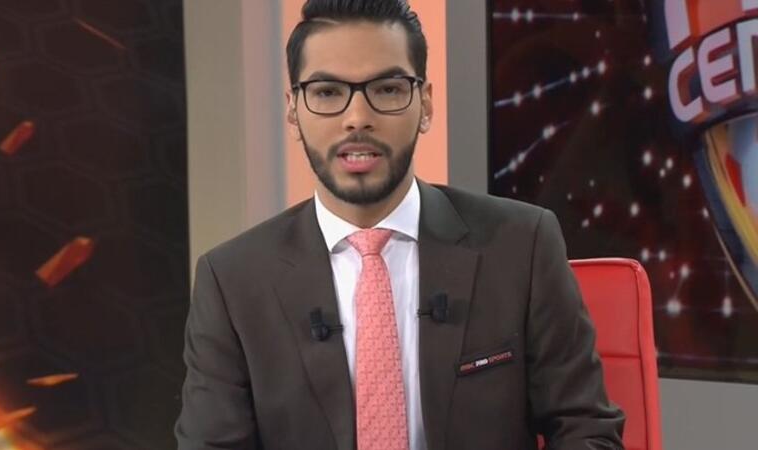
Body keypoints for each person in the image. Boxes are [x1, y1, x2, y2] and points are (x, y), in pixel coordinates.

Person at [175, 1, 625, 449]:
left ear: (425, 104)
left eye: (387, 89)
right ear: (293, 111)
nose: (357, 118)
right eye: (327, 92)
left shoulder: (521, 246)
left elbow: (587, 432)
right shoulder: (232, 283)